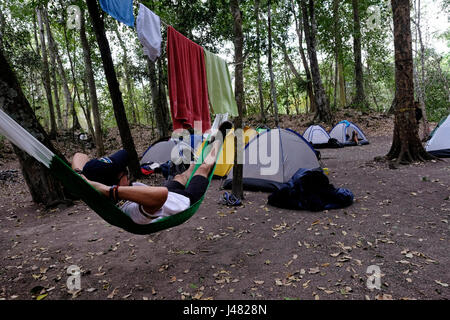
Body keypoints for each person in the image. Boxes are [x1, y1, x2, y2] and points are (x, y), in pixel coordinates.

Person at [72, 121, 231, 225]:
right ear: (116, 184)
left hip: (169, 193)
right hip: (183, 200)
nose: (129, 175)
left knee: (183, 174)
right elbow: (160, 195)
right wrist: (109, 191)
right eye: (125, 173)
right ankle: (218, 140)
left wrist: (80, 176)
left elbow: (80, 156)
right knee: (203, 168)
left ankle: (204, 148)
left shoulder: (110, 191)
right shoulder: (131, 211)